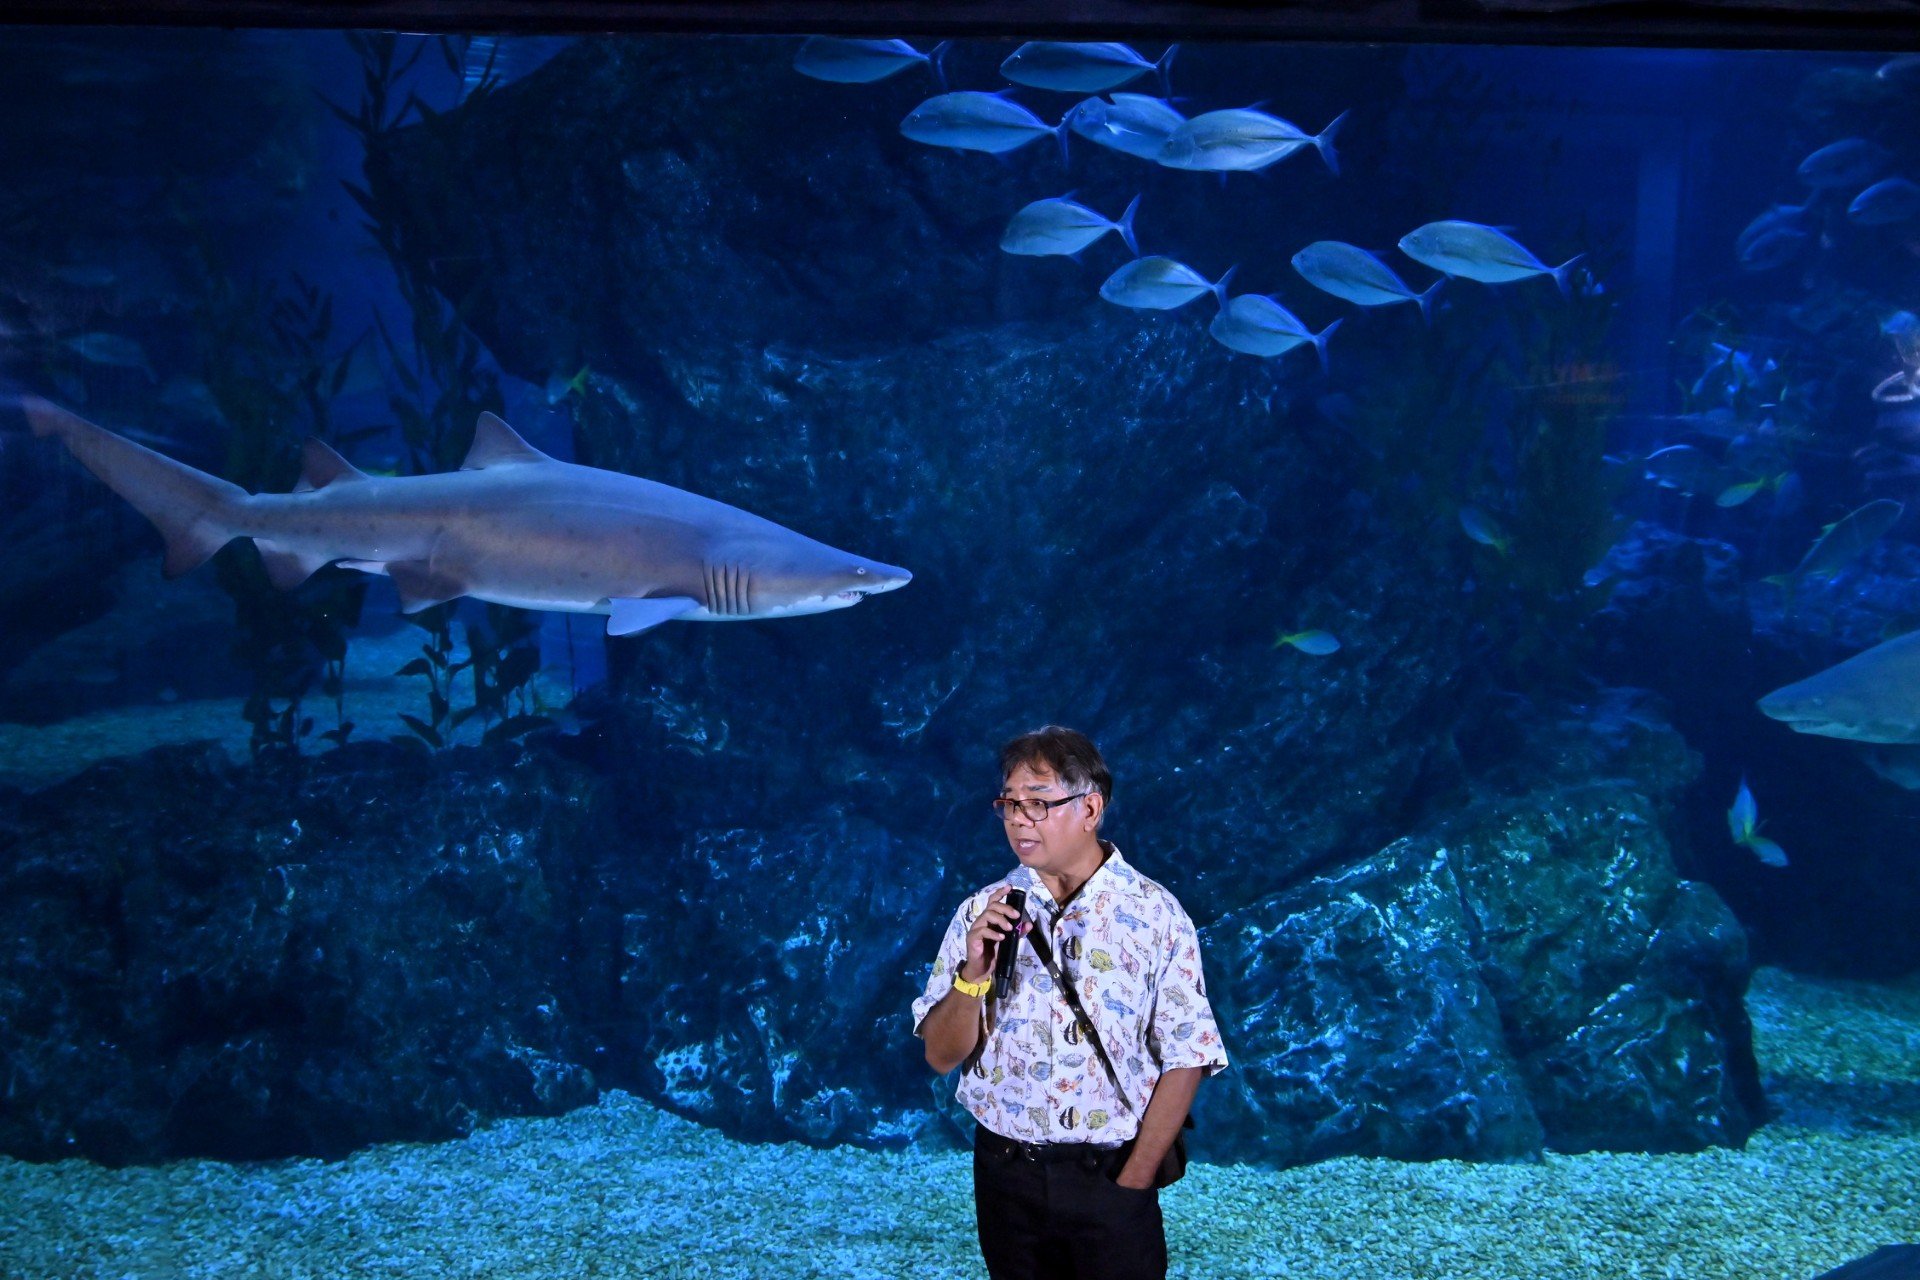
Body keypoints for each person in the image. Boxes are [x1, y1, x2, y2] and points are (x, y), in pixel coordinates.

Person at [911, 725, 1228, 1280]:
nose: (1019, 819)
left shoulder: (1155, 914)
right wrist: (972, 973)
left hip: (1109, 1173)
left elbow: (1189, 1054)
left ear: (1091, 809)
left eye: (1039, 802)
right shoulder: (980, 911)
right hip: (1005, 1175)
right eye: (1010, 803)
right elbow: (940, 1055)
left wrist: (1135, 1178)